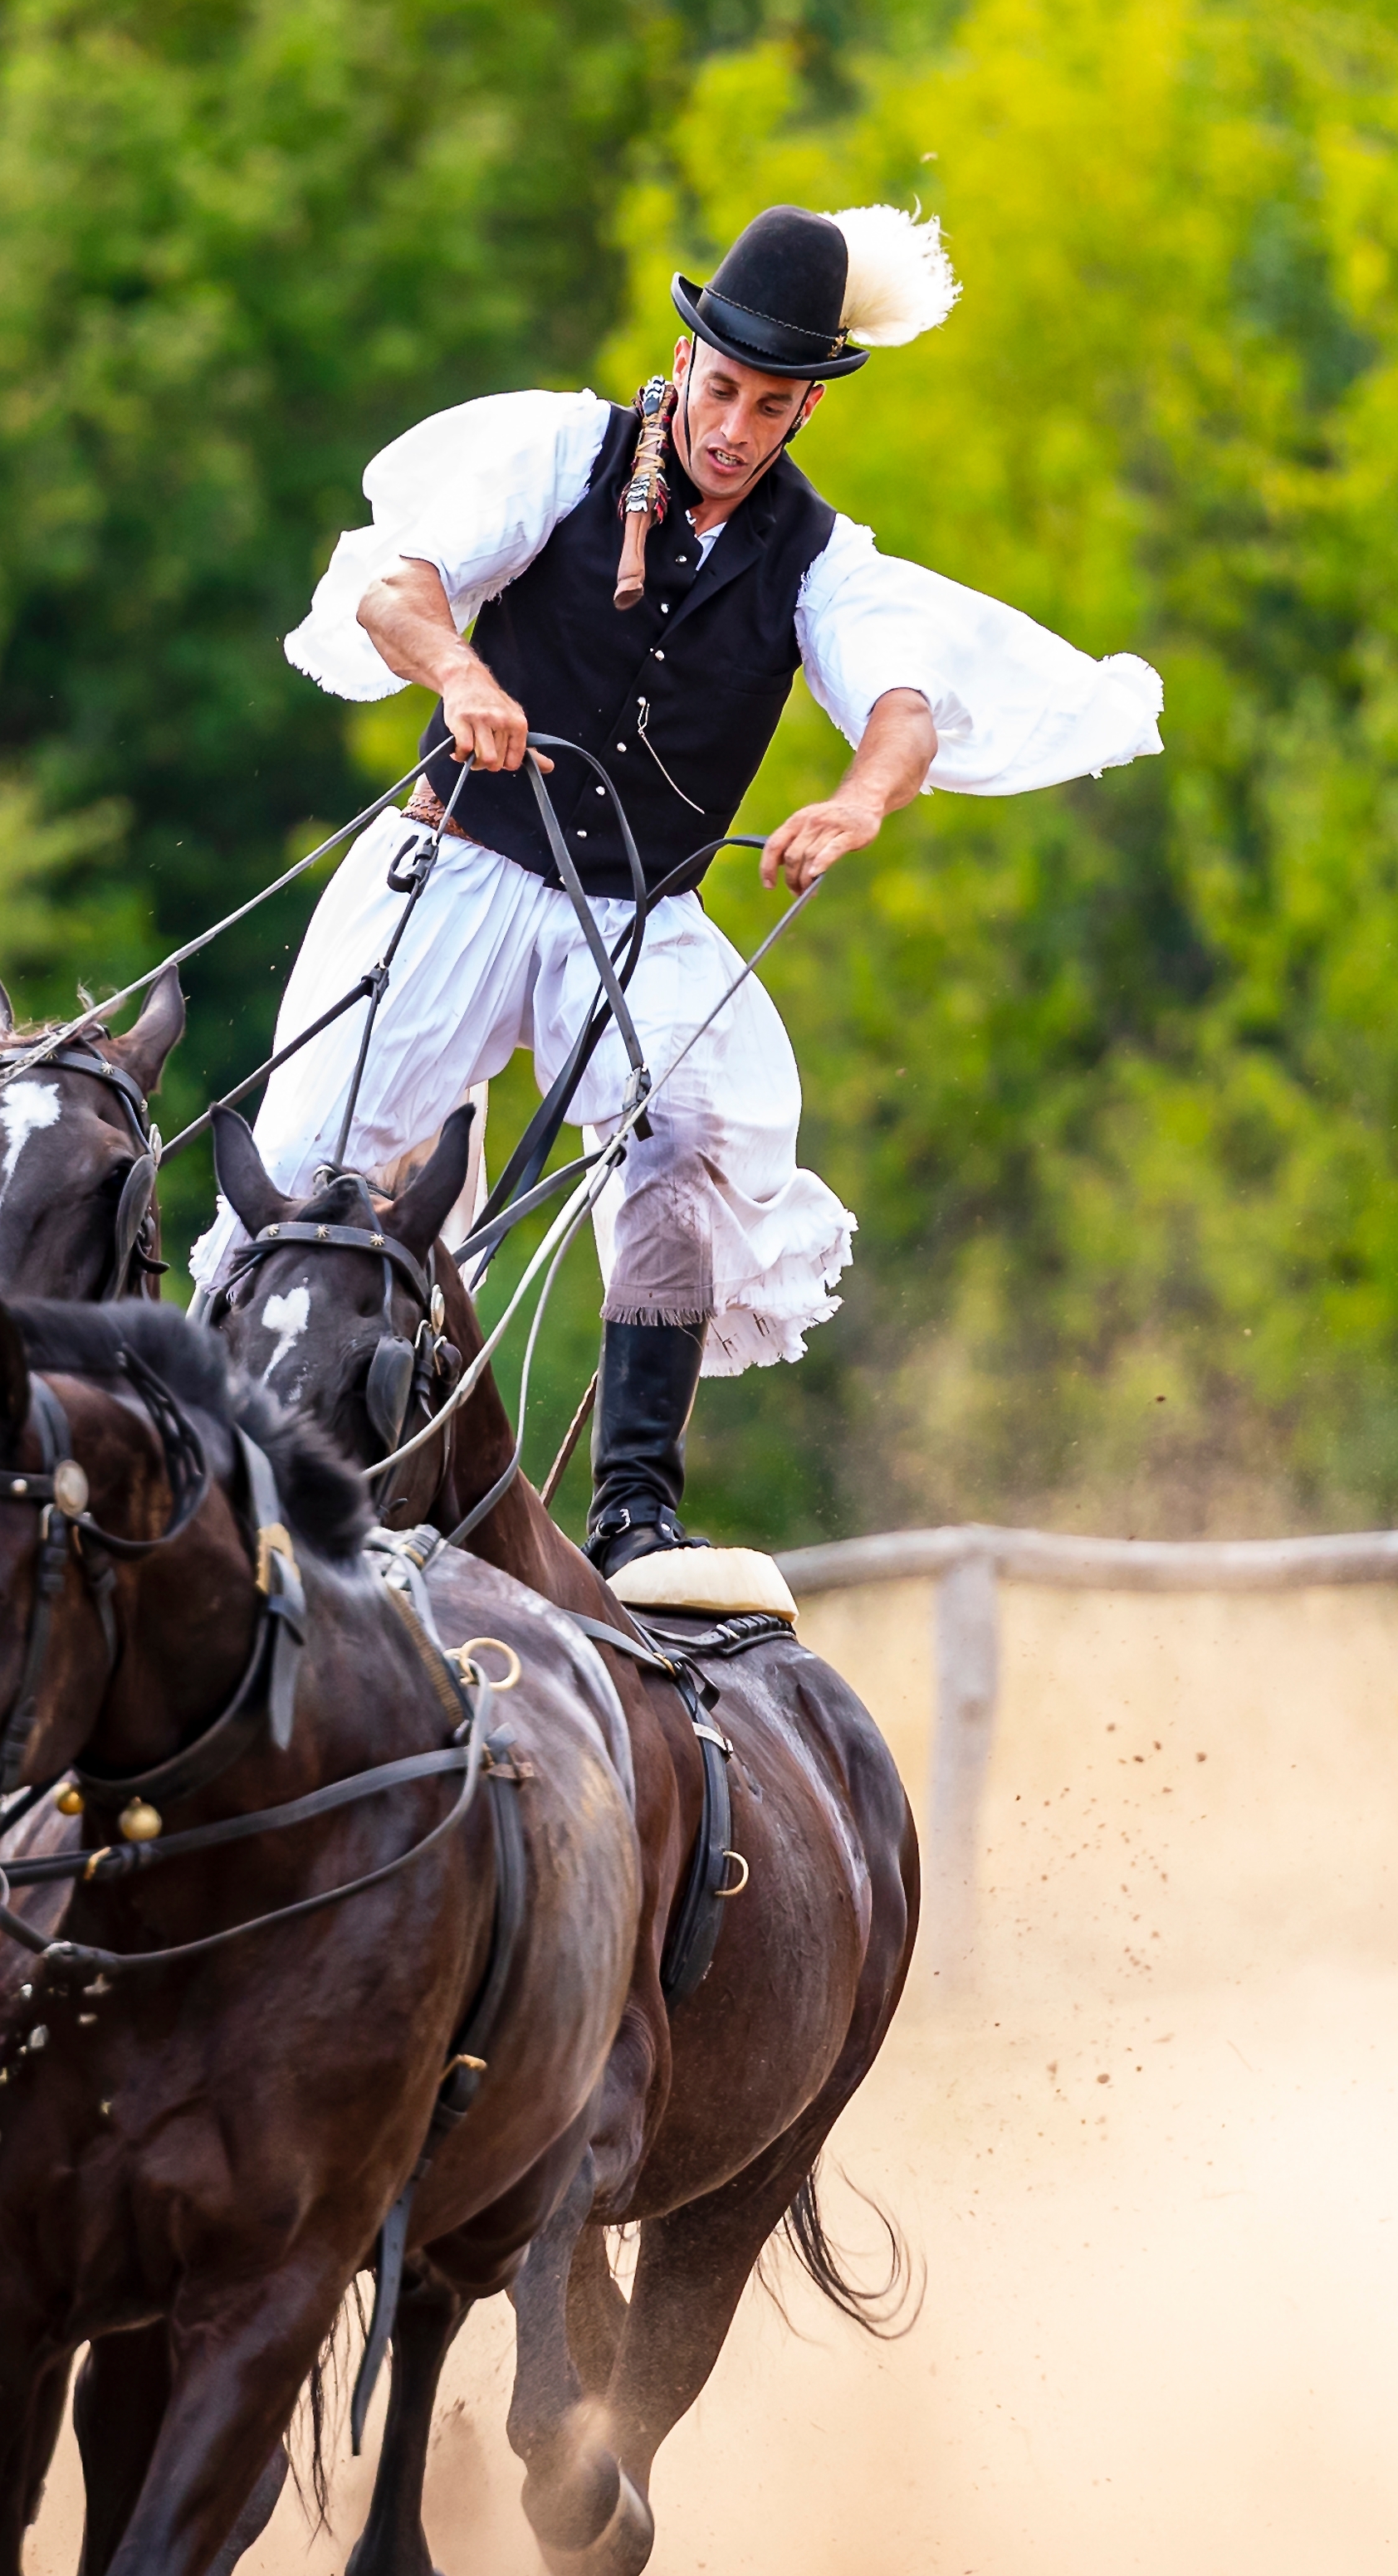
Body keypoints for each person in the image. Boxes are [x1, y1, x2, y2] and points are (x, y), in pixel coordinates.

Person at [219, 201, 1163, 1582]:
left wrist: (857, 798)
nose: (736, 428)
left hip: (633, 912)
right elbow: (395, 587)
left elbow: (905, 702)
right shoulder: (559, 448)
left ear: (802, 416)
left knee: (695, 1136)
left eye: (771, 408)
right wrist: (464, 675)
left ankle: (636, 1517)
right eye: (722, 391)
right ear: (683, 361)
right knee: (307, 1173)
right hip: (463, 867)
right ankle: (226, 1464)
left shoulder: (819, 560)